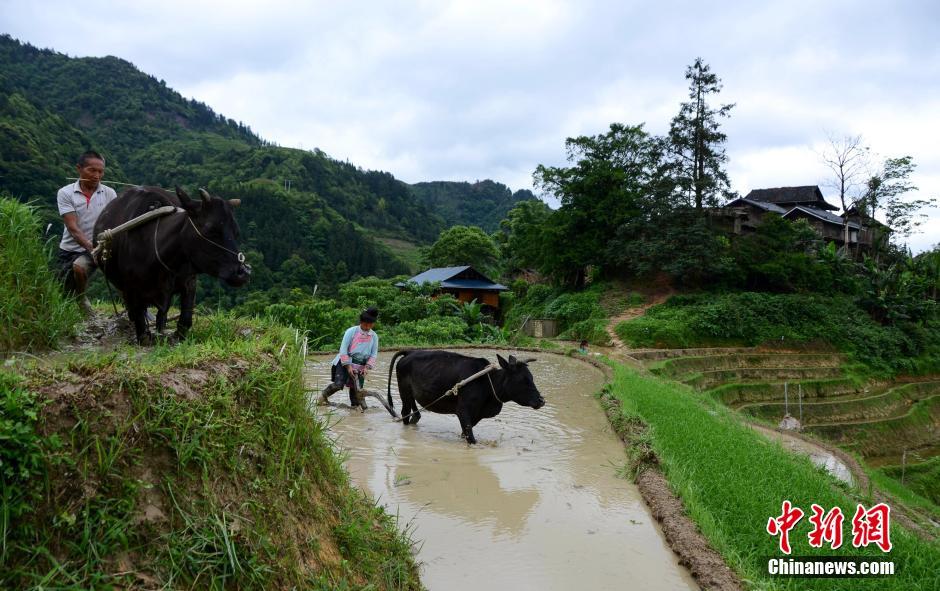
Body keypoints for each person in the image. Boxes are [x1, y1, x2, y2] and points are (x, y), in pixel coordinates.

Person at [56, 150, 118, 315]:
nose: (97, 175)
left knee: (81, 267)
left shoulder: (109, 193)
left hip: (100, 246)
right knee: (63, 295)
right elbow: (73, 229)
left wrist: (101, 248)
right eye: (92, 170)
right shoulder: (65, 193)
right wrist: (93, 249)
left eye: (101, 171)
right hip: (70, 250)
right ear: (79, 168)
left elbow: (114, 222)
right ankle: (79, 297)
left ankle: (136, 306)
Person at [320, 307, 380, 410]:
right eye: (365, 324)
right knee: (338, 384)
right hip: (345, 362)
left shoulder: (374, 336)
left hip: (361, 366)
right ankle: (322, 397)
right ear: (361, 322)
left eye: (370, 325)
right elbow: (343, 349)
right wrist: (348, 367)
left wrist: (367, 367)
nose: (367, 327)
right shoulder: (351, 331)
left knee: (356, 390)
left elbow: (373, 354)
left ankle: (355, 408)